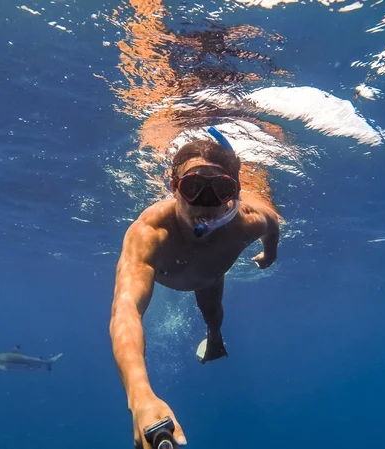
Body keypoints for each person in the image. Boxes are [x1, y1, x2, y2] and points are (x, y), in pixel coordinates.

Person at [109, 127, 281, 449]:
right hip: (182, 276)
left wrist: (269, 255)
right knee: (210, 302)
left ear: (235, 192)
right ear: (174, 188)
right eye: (192, 187)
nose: (206, 203)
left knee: (214, 314)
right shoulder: (149, 232)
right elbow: (126, 309)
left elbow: (273, 227)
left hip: (210, 278)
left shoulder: (251, 220)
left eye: (219, 189)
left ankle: (215, 339)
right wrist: (141, 396)